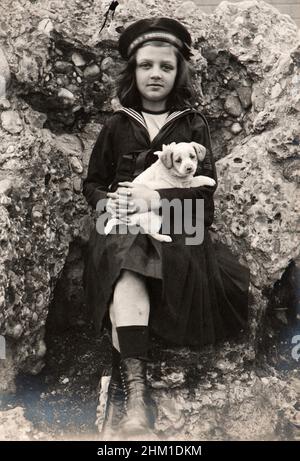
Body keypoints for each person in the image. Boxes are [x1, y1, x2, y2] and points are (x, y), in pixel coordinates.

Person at [82, 17, 250, 440]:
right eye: (145, 65)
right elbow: (93, 182)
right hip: (120, 221)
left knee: (138, 250)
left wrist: (155, 199)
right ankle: (138, 399)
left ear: (178, 73)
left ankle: (133, 383)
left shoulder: (192, 125)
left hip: (182, 227)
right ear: (133, 71)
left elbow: (204, 207)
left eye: (165, 66)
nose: (155, 74)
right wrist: (109, 202)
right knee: (123, 251)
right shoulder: (116, 125)